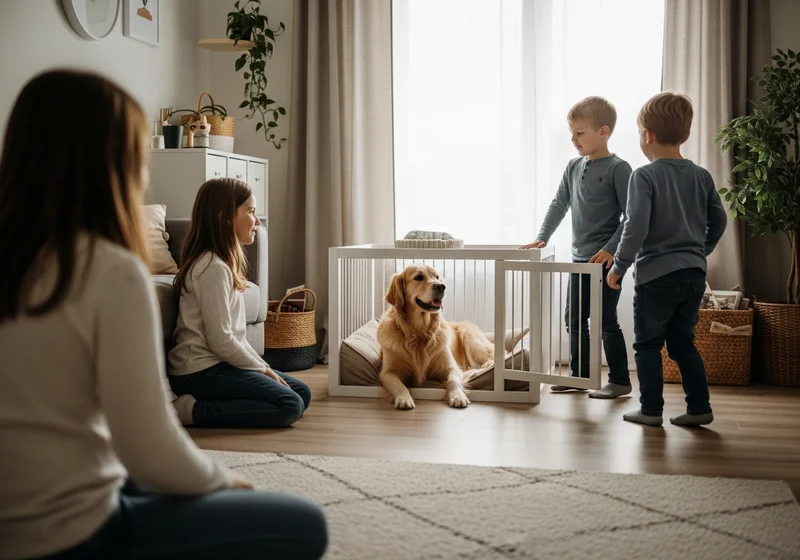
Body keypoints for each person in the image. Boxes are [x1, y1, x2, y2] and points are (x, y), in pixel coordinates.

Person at [0, 69, 327, 560]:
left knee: (291, 394)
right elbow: (150, 450)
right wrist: (222, 481)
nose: (143, 175)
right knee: (305, 524)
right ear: (110, 165)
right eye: (136, 157)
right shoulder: (110, 271)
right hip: (74, 532)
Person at [607, 92, 727, 427]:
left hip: (657, 277)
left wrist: (619, 266)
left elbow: (635, 227)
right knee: (682, 342)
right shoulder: (701, 175)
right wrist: (699, 252)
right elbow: (718, 221)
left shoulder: (644, 176)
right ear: (685, 134)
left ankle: (650, 411)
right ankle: (699, 407)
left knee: (647, 345)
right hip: (693, 275)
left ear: (647, 135)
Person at [168, 178, 312, 429]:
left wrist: (261, 369)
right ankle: (188, 411)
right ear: (226, 217)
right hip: (199, 371)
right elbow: (222, 339)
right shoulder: (211, 268)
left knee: (302, 393)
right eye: (251, 211)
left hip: (219, 363)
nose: (257, 221)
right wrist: (264, 370)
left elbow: (233, 336)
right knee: (290, 405)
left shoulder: (222, 265)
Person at [522, 96, 632, 398]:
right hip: (578, 259)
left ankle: (620, 380)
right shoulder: (573, 166)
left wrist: (610, 249)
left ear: (603, 132)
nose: (573, 139)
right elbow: (560, 203)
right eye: (571, 133)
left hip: (607, 262)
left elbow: (631, 216)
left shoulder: (619, 169)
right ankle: (580, 376)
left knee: (606, 320)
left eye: (579, 133)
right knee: (574, 318)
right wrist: (543, 235)